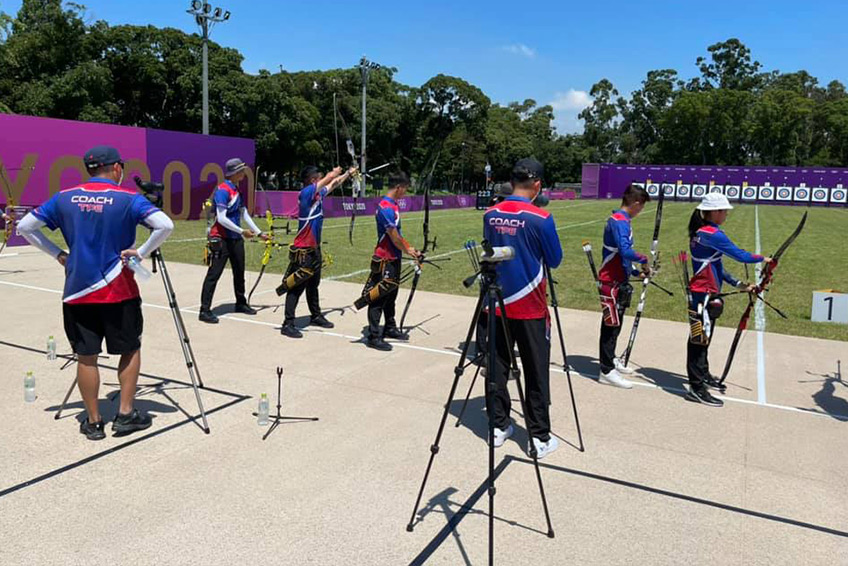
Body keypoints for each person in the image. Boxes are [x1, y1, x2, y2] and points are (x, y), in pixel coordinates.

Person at [17, 145, 174, 440]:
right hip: (119, 290)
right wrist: (140, 253)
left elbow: (25, 226)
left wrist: (58, 254)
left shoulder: (64, 197)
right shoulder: (127, 198)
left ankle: (93, 421)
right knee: (129, 349)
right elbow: (164, 225)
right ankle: (125, 414)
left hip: (77, 291)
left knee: (86, 356)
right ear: (116, 168)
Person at [482, 158, 563, 459]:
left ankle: (498, 425)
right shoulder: (542, 218)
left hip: (497, 303)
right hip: (529, 306)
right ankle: (539, 436)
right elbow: (554, 260)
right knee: (536, 370)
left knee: (498, 366)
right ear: (538, 185)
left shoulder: (491, 214)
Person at [686, 192, 771, 407]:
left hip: (706, 293)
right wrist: (764, 259)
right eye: (724, 211)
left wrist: (739, 284)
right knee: (699, 340)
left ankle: (702, 375)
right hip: (702, 294)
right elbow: (740, 255)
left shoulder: (703, 232)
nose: (726, 215)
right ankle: (696, 388)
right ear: (714, 212)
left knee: (704, 337)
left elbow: (715, 266)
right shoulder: (711, 234)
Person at [278, 165, 355, 338]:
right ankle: (288, 323)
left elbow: (333, 183)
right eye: (317, 177)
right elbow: (329, 178)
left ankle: (315, 315)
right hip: (303, 249)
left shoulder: (317, 195)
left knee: (313, 284)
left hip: (314, 248)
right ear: (312, 180)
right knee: (296, 287)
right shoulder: (305, 193)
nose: (320, 179)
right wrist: (334, 172)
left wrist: (347, 174)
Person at [355, 171, 421, 351]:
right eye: (405, 189)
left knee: (391, 295)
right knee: (378, 297)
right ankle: (374, 336)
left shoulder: (393, 205)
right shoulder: (385, 207)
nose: (405, 193)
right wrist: (408, 249)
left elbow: (398, 235)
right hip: (384, 259)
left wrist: (410, 248)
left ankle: (390, 327)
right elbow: (393, 235)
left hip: (394, 258)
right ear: (399, 187)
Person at [199, 158, 268, 323]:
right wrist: (242, 231)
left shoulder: (236, 190)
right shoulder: (223, 190)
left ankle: (241, 303)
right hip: (221, 239)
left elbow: (244, 214)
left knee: (239, 272)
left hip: (235, 239)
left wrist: (259, 233)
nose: (244, 173)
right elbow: (221, 219)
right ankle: (205, 310)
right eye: (242, 170)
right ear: (236, 173)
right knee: (213, 274)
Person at [597, 184, 652, 389]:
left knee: (616, 323)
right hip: (610, 280)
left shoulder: (622, 220)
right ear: (636, 203)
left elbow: (622, 256)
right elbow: (625, 250)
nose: (641, 210)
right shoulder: (619, 221)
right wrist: (644, 259)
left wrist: (637, 272)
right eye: (642, 206)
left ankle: (610, 360)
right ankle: (605, 370)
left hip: (619, 278)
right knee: (610, 325)